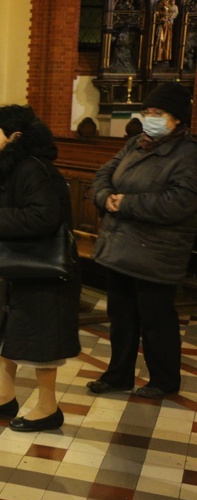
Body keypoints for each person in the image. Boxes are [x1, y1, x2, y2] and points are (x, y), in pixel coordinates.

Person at [0, 105, 81, 432]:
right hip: (23, 264)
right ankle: (5, 395)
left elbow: (45, 217)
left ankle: (48, 407)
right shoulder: (14, 168)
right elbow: (23, 213)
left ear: (15, 137)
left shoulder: (32, 168)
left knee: (42, 338)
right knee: (11, 330)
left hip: (45, 270)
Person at [87, 82, 197, 399]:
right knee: (121, 318)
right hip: (121, 247)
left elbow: (178, 203)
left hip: (157, 252)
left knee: (156, 321)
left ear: (177, 118)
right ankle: (117, 375)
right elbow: (103, 175)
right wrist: (106, 196)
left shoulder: (188, 154)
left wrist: (125, 204)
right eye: (147, 111)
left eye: (158, 113)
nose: (150, 117)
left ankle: (163, 380)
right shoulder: (137, 143)